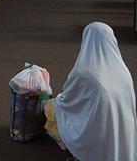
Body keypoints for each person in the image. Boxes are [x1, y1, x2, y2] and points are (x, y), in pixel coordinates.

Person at [43, 22, 137, 161]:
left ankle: (78, 152)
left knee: (52, 106)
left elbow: (68, 100)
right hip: (123, 136)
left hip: (95, 135)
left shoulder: (84, 72)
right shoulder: (123, 72)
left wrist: (52, 101)